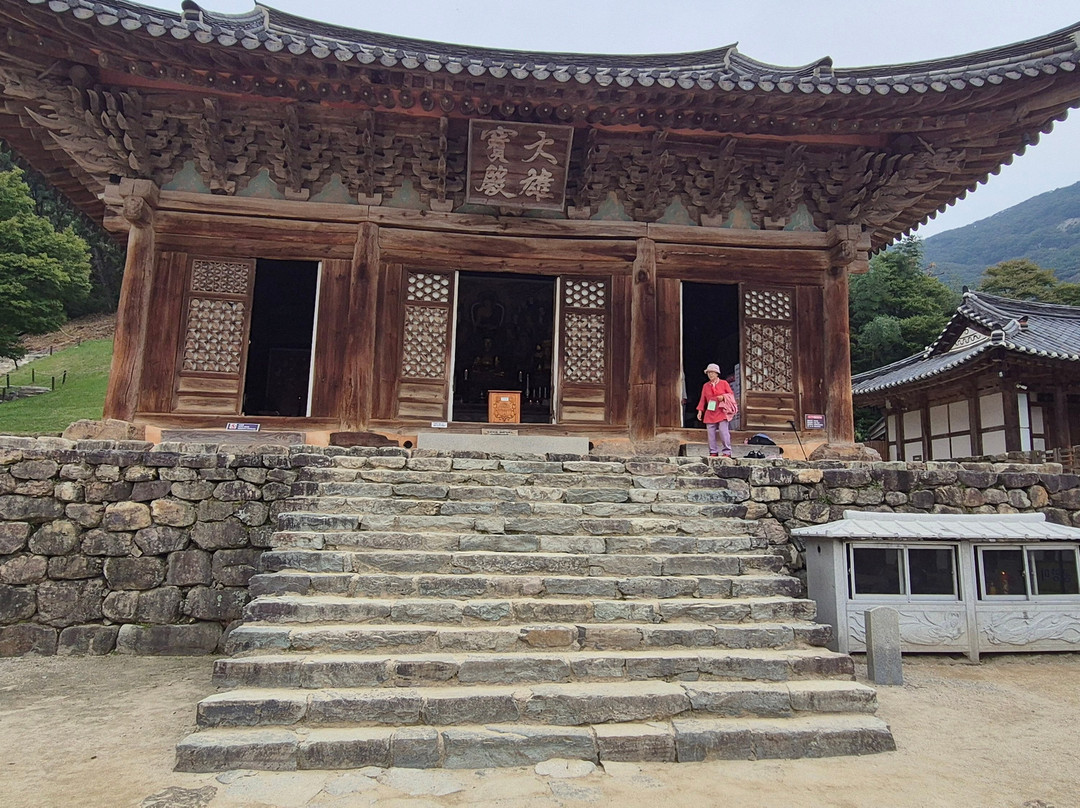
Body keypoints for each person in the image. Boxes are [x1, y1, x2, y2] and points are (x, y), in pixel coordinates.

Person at [696, 362, 737, 457]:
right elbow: (703, 399)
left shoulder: (724, 383)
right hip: (710, 411)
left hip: (721, 410)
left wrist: (723, 397)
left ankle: (727, 451)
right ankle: (713, 451)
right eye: (709, 372)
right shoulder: (706, 386)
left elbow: (731, 395)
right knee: (710, 433)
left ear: (717, 373)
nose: (710, 374)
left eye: (712, 372)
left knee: (723, 431)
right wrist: (700, 411)